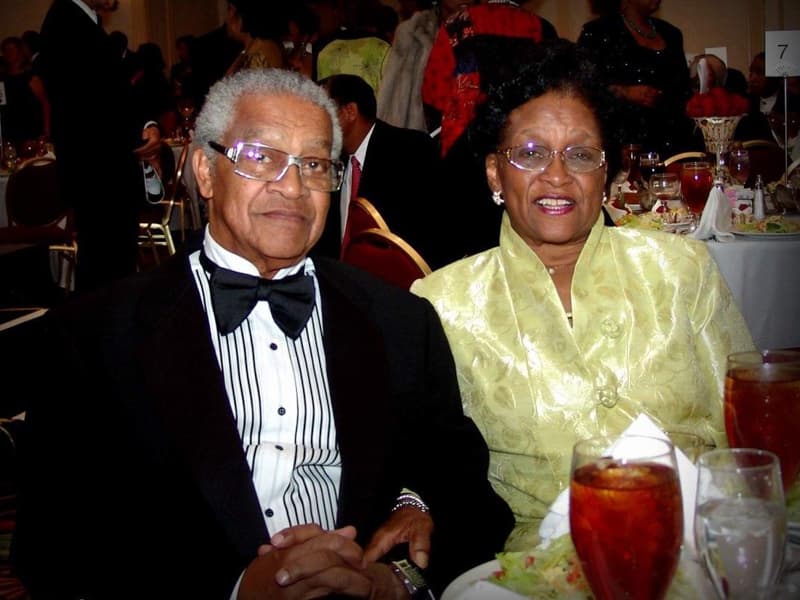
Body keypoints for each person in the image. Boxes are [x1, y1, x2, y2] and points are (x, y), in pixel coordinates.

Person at [11, 67, 513, 598]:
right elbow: (53, 551)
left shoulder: (400, 320)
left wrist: (398, 577)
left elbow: (460, 482)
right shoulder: (93, 338)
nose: (293, 187)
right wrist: (234, 590)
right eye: (261, 157)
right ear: (205, 170)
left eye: (315, 164)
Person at [410, 39, 755, 552]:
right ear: (494, 174)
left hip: (701, 548)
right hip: (535, 569)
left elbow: (745, 431)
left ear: (607, 173)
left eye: (581, 154)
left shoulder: (682, 270)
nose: (556, 175)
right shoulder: (442, 303)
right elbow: (424, 464)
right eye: (530, 153)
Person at [38, 0, 162, 293]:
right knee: (105, 269)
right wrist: (138, 133)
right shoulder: (65, 19)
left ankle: (108, 329)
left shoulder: (82, 19)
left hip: (101, 167)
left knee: (111, 264)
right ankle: (103, 333)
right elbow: (88, 102)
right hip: (97, 170)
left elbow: (109, 91)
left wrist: (145, 125)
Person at [316, 73, 450, 268]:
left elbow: (433, 233)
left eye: (323, 112)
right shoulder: (331, 164)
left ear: (349, 112)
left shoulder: (410, 150)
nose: (316, 122)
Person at [577, 0, 697, 158]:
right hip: (624, 147)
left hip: (675, 145)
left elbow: (683, 91)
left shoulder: (671, 34)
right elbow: (582, 86)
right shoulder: (599, 33)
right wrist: (625, 92)